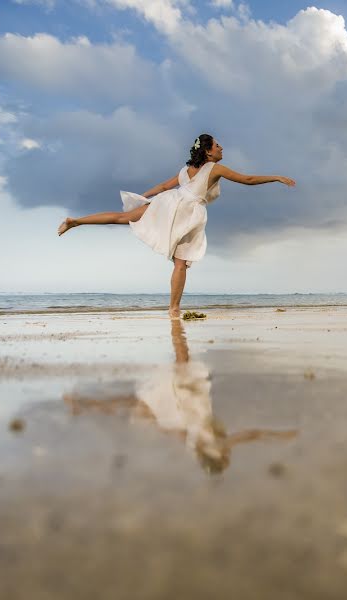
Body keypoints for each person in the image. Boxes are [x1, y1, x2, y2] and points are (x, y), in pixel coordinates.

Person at [57, 134, 296, 318]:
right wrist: (275, 177)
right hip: (187, 211)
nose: (222, 148)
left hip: (169, 202)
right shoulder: (216, 168)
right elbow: (248, 180)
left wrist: (144, 198)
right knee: (180, 264)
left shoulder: (185, 170)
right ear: (208, 153)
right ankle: (173, 309)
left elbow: (163, 187)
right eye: (217, 146)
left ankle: (75, 221)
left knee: (123, 218)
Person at [63, 319, 298, 475]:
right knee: (131, 401)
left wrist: (280, 436)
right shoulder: (199, 446)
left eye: (225, 459)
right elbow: (181, 433)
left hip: (187, 404)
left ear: (217, 458)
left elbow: (251, 434)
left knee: (134, 398)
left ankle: (83, 405)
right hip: (184, 407)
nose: (228, 454)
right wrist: (157, 423)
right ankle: (83, 405)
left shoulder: (215, 446)